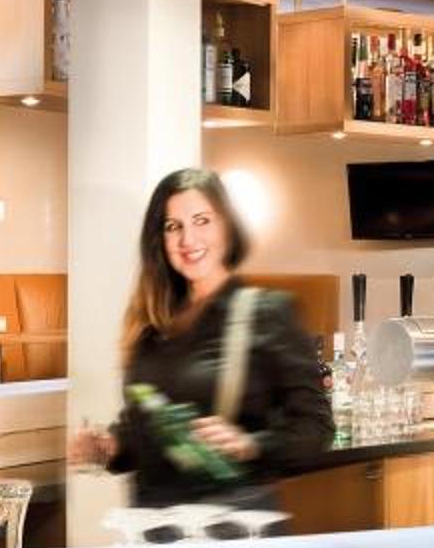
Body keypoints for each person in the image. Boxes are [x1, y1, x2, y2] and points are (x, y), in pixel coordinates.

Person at [68, 168, 333, 508]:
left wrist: (250, 445)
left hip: (230, 529)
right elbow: (142, 428)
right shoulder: (151, 323)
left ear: (227, 226)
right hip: (152, 526)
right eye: (173, 226)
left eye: (202, 221)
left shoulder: (268, 312)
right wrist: (108, 446)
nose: (187, 239)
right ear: (159, 239)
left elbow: (316, 429)